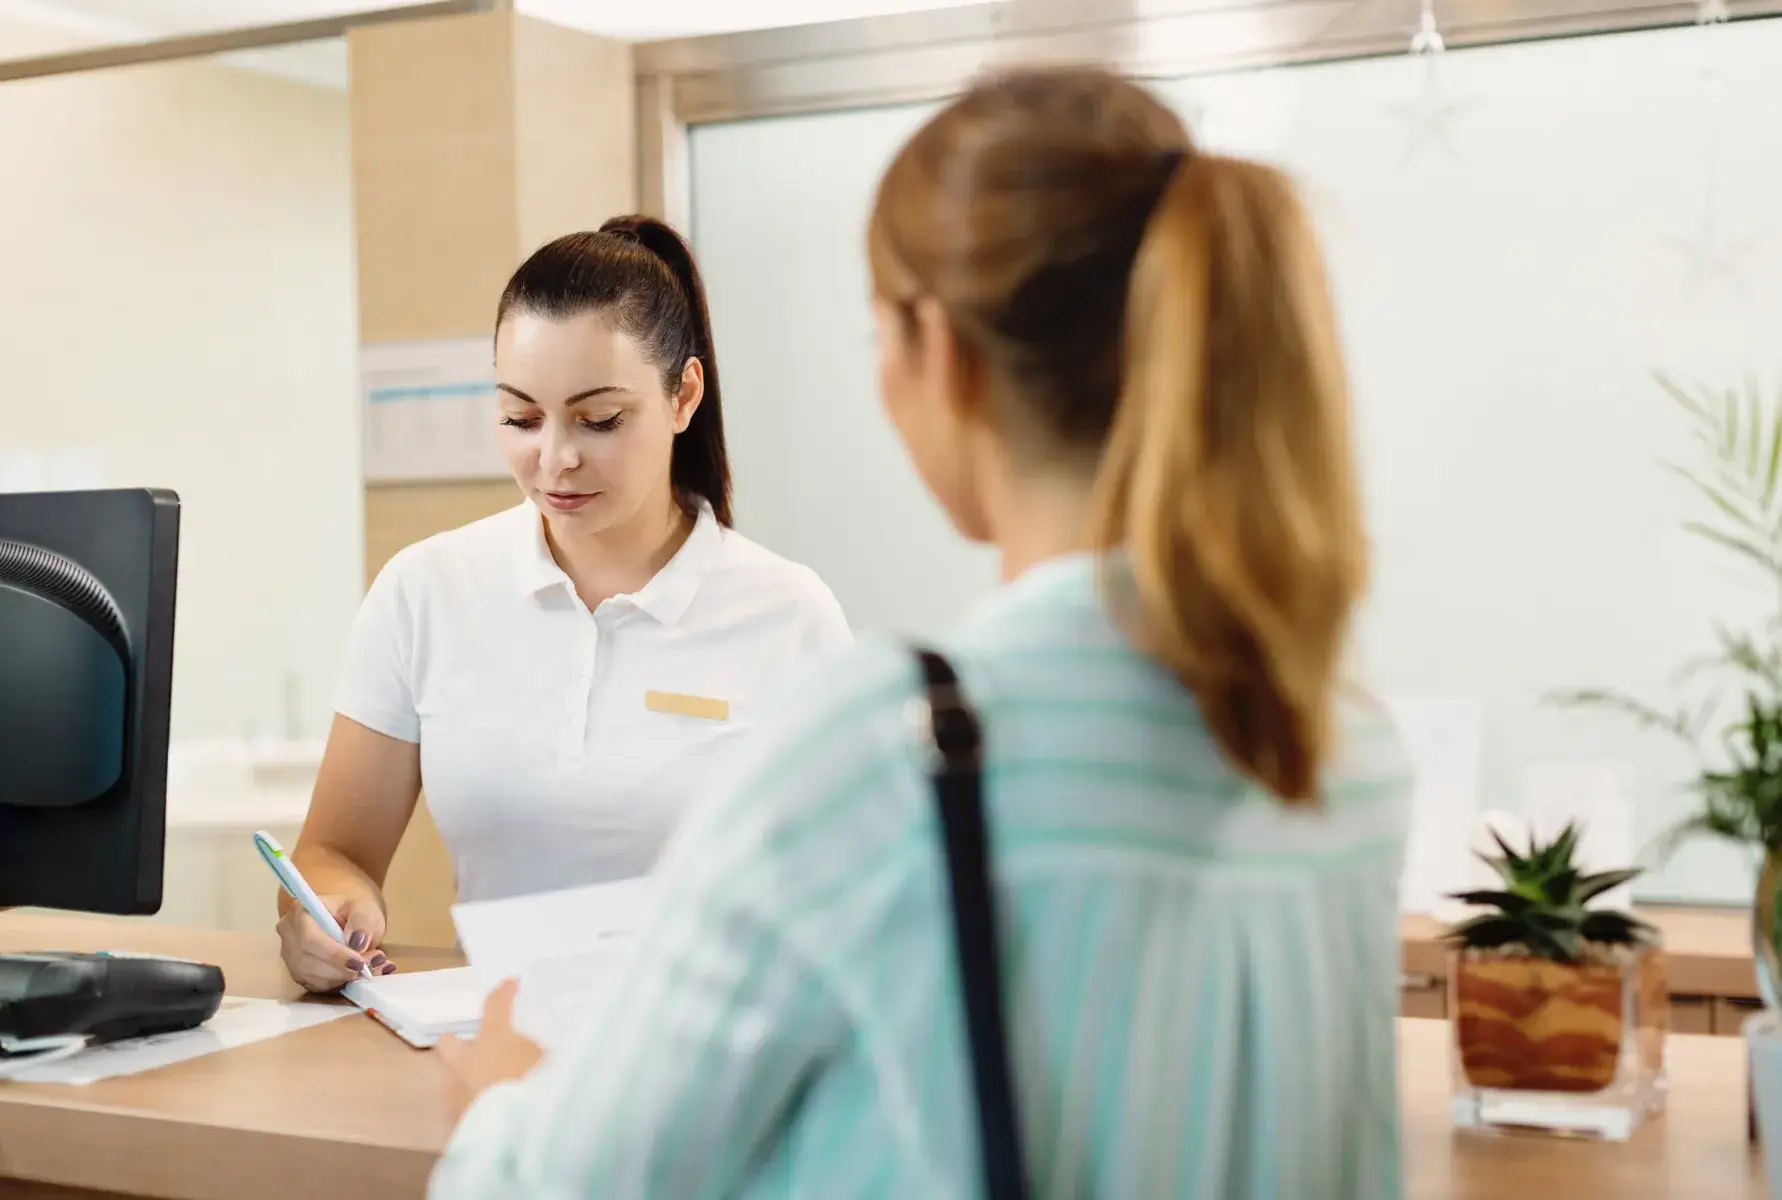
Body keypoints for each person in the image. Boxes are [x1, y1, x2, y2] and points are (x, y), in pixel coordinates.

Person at [429, 67, 1413, 1198]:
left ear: (937, 354)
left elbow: (570, 1187)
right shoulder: (1343, 741)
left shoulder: (895, 746)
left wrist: (506, 1102)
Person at [277, 216, 851, 992]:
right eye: (520, 418)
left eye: (600, 420)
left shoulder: (789, 615)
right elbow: (332, 852)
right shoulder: (425, 592)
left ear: (684, 394)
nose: (555, 458)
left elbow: (850, 900)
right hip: (491, 1055)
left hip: (708, 1053)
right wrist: (327, 911)